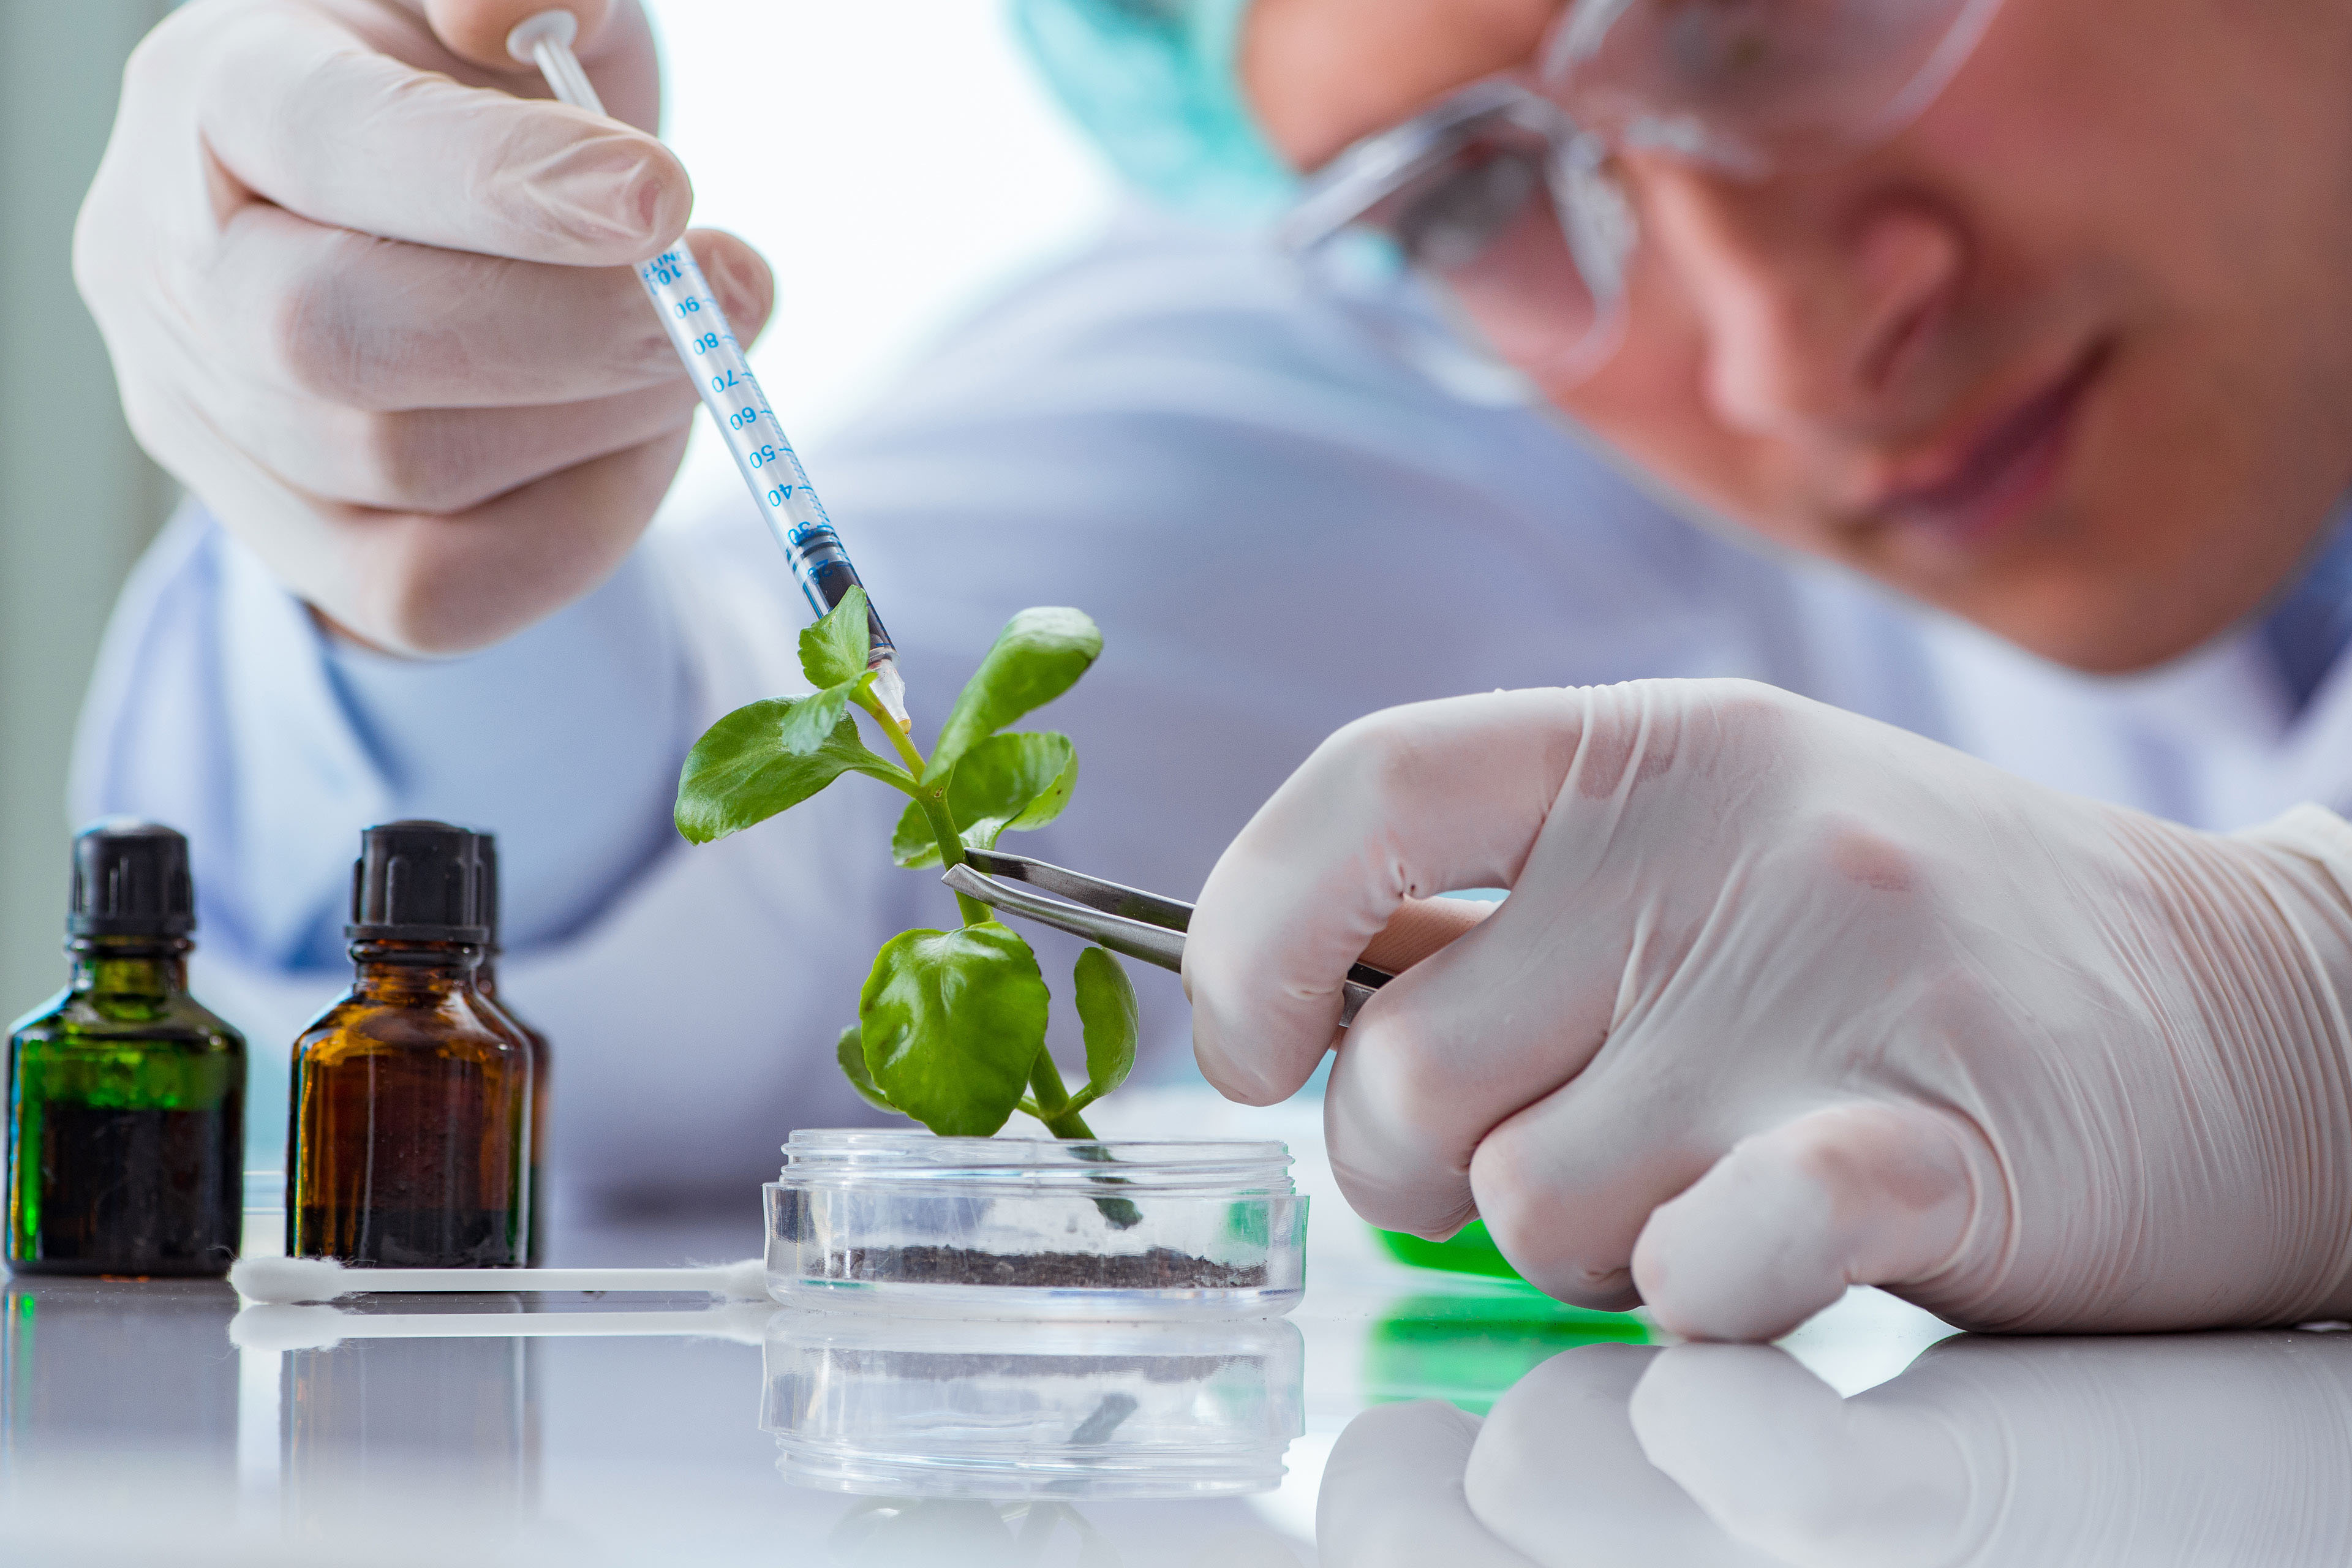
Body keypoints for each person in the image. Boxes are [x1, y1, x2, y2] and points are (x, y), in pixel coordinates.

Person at [63, 0, 2352, 1333]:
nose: (1784, 338)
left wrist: (2309, 1002)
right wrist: (428, 499)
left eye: (1772, 2)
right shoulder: (1422, 367)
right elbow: (706, 976)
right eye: (1462, 199)